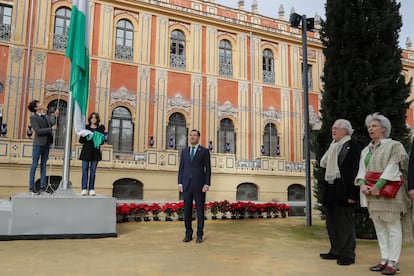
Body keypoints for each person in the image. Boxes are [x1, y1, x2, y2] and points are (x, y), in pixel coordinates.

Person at [355, 113, 412, 275]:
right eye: (369, 127)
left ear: (383, 129)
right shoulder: (367, 149)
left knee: (393, 227)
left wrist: (378, 185)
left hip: (390, 193)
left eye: (374, 126)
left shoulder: (394, 145)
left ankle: (393, 262)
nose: (370, 129)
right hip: (372, 194)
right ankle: (384, 259)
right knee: (379, 227)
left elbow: (393, 166)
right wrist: (362, 184)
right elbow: (362, 170)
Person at [319, 119, 361, 265]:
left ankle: (348, 254)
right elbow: (324, 165)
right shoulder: (332, 147)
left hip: (344, 190)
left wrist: (353, 195)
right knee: (332, 221)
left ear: (346, 131)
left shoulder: (353, 147)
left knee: (345, 222)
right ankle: (335, 250)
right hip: (331, 188)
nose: (333, 130)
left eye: (336, 128)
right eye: (332, 128)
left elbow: (356, 171)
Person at [178, 129, 211, 243]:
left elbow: (208, 169)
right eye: (190, 135)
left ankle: (200, 235)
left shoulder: (204, 151)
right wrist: (180, 183)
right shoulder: (185, 151)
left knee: (200, 211)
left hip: (200, 185)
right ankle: (188, 234)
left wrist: (207, 183)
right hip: (186, 185)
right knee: (187, 211)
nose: (192, 137)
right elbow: (181, 168)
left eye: (194, 135)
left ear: (198, 137)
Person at [27, 100, 59, 195]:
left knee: (44, 165)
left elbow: (52, 123)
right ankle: (31, 187)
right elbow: (38, 130)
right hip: (38, 144)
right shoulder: (33, 117)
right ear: (36, 108)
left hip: (47, 143)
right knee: (34, 164)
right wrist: (50, 129)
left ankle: (43, 186)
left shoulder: (46, 116)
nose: (41, 104)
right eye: (39, 103)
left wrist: (56, 116)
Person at [79, 112, 105, 196]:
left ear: (97, 119)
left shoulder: (100, 128)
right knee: (84, 170)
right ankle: (84, 188)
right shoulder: (85, 128)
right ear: (90, 119)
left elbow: (102, 141)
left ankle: (91, 189)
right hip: (86, 151)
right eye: (92, 117)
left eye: (95, 117)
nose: (93, 119)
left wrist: (98, 137)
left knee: (93, 172)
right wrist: (86, 136)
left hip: (95, 152)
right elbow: (81, 141)